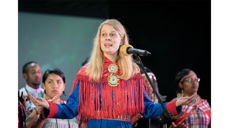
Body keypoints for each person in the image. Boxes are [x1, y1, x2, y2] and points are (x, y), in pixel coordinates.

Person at [28, 19, 195, 128]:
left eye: (112, 34)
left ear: (122, 40)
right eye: (103, 35)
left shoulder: (133, 73)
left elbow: (147, 109)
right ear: (99, 40)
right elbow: (72, 108)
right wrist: (48, 106)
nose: (107, 38)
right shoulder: (87, 73)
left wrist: (174, 104)